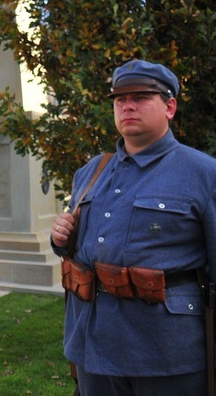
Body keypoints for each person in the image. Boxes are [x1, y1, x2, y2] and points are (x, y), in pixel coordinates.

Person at [50, 60, 216, 395]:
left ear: (169, 107)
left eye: (141, 97)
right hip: (93, 344)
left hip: (166, 353)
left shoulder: (203, 173)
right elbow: (84, 246)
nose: (127, 105)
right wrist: (61, 240)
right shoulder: (91, 172)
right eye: (119, 99)